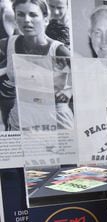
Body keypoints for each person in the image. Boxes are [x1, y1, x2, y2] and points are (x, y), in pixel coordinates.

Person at [0, 0, 70, 131]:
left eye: (33, 14)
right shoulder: (5, 45)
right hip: (19, 124)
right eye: (20, 14)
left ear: (45, 18)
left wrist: (67, 92)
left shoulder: (59, 51)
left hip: (55, 125)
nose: (26, 20)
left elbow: (79, 88)